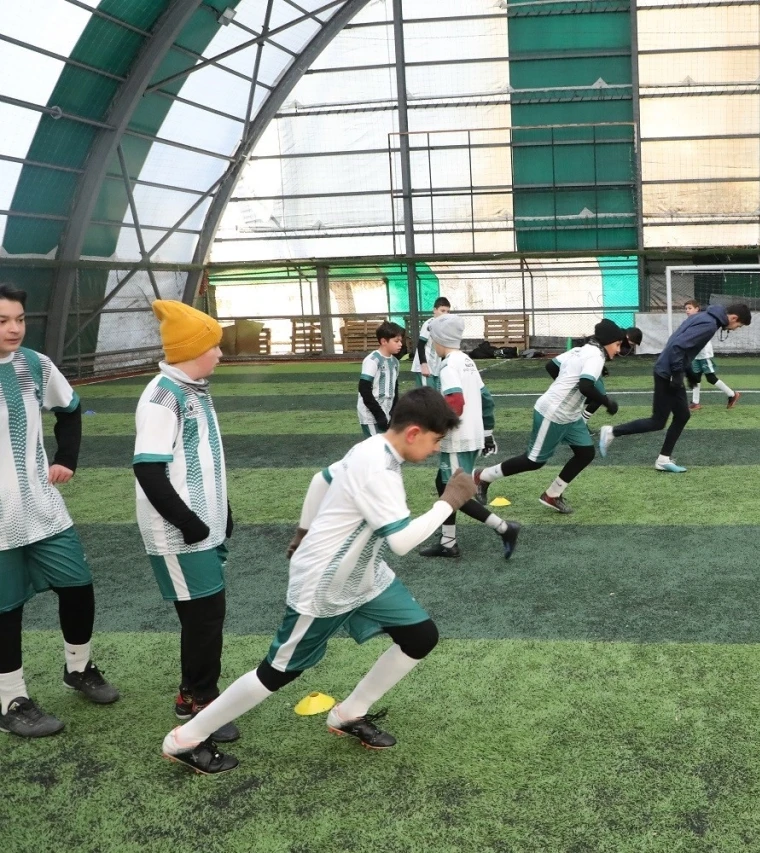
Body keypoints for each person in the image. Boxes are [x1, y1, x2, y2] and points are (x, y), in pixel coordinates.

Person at [161, 388, 479, 774]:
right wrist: (449, 501)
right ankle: (186, 738)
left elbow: (320, 479)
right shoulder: (379, 470)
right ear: (413, 433)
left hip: (364, 576)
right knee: (277, 672)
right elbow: (401, 542)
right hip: (325, 585)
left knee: (420, 636)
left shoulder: (372, 447)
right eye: (435, 440)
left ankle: (349, 713)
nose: (436, 449)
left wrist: (303, 532)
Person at [0, 284, 119, 738]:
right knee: (6, 609)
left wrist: (66, 458)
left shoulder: (35, 365)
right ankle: (11, 700)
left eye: (19, 319)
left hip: (42, 506)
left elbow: (70, 409)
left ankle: (78, 668)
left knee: (78, 586)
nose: (14, 328)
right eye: (3, 321)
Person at [133, 300, 240, 744]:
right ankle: (202, 701)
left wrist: (222, 511)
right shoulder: (164, 396)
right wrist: (189, 523)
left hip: (202, 526)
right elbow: (149, 469)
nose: (220, 354)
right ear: (191, 349)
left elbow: (201, 459)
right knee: (205, 616)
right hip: (179, 533)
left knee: (204, 616)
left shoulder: (192, 389)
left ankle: (192, 692)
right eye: (213, 346)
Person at [475, 320, 624, 514]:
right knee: (533, 461)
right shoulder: (596, 356)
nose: (618, 350)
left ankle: (552, 494)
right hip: (554, 413)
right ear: (607, 341)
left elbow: (551, 366)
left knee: (586, 453)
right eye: (617, 344)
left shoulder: (581, 350)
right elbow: (585, 386)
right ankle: (483, 476)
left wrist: (564, 388)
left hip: (570, 415)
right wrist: (607, 402)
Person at [598, 303, 751, 473]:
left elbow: (677, 342)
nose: (736, 329)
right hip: (668, 372)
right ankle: (612, 432)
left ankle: (663, 459)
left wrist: (688, 371)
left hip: (668, 368)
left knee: (682, 415)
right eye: (739, 325)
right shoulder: (709, 324)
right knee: (658, 421)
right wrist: (678, 374)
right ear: (734, 318)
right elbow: (678, 346)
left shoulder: (703, 317)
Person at [417, 314, 520, 559]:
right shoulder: (467, 361)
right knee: (443, 484)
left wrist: (437, 433)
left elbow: (455, 402)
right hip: (471, 435)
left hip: (457, 439)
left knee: (456, 493)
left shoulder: (448, 366)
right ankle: (448, 542)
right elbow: (486, 399)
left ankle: (504, 528)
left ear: (439, 340)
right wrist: (487, 433)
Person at [682, 300, 741, 410]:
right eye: (686, 309)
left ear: (697, 309)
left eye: (690, 308)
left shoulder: (701, 320)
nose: (687, 311)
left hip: (704, 354)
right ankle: (695, 402)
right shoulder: (690, 321)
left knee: (710, 378)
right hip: (696, 354)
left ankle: (732, 394)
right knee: (695, 377)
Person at [583, 326, 641, 425]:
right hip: (587, 364)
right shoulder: (615, 336)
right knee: (599, 397)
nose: (630, 347)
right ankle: (581, 422)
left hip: (589, 363)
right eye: (632, 344)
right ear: (627, 337)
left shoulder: (616, 336)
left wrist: (602, 367)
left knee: (594, 396)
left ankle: (579, 421)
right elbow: (593, 343)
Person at [357, 321, 403, 436]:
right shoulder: (373, 360)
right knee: (375, 445)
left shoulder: (395, 362)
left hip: (386, 412)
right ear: (383, 341)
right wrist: (379, 415)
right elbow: (364, 389)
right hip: (371, 414)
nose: (400, 344)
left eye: (400, 341)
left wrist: (393, 412)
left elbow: (395, 387)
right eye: (396, 341)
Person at [410, 297, 451, 390]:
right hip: (426, 367)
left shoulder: (445, 326)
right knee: (427, 395)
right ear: (435, 310)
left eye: (448, 311)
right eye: (442, 311)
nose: (445, 314)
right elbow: (420, 345)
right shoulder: (429, 324)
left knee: (436, 394)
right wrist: (424, 365)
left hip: (436, 367)